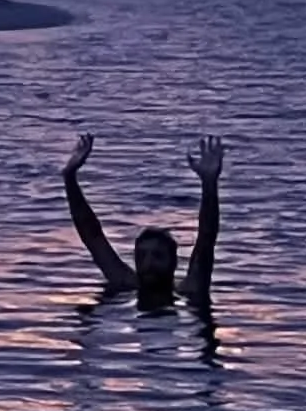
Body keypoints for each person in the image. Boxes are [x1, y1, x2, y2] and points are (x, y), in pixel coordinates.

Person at [63, 131, 222, 306]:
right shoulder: (125, 283)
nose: (148, 263)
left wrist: (209, 184)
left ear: (174, 262)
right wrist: (69, 178)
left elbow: (206, 238)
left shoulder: (191, 289)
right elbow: (91, 235)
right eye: (142, 256)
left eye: (157, 256)